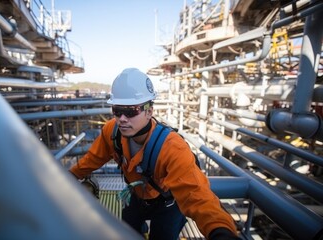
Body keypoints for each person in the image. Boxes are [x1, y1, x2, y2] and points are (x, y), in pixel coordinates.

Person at [70, 68, 240, 240]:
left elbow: (196, 194)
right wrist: (67, 175)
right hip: (137, 195)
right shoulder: (111, 132)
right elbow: (93, 159)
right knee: (128, 231)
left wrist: (220, 230)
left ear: (149, 111)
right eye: (117, 110)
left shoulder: (172, 147)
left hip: (167, 203)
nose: (122, 118)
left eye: (131, 111)